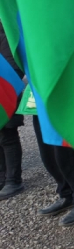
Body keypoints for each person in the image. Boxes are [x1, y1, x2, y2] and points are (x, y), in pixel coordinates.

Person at [33, 115, 74, 226]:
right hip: (38, 102)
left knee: (65, 151)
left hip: (61, 101)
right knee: (47, 152)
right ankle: (66, 194)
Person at [0, 23, 26, 200]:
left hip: (5, 91)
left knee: (7, 136)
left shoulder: (6, 31)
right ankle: (2, 178)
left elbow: (14, 66)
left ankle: (13, 180)